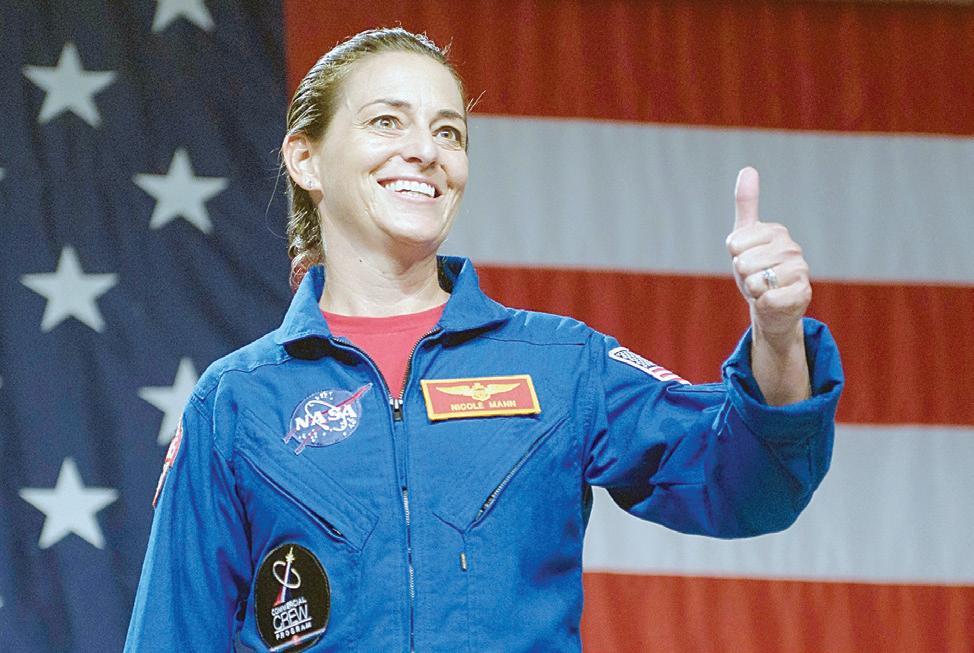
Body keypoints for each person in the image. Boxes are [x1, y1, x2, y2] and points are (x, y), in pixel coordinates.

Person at [124, 27, 843, 653]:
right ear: (305, 159)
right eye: (386, 121)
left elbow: (752, 487)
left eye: (449, 132)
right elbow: (171, 635)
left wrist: (777, 335)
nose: (425, 151)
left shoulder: (560, 366)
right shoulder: (236, 402)